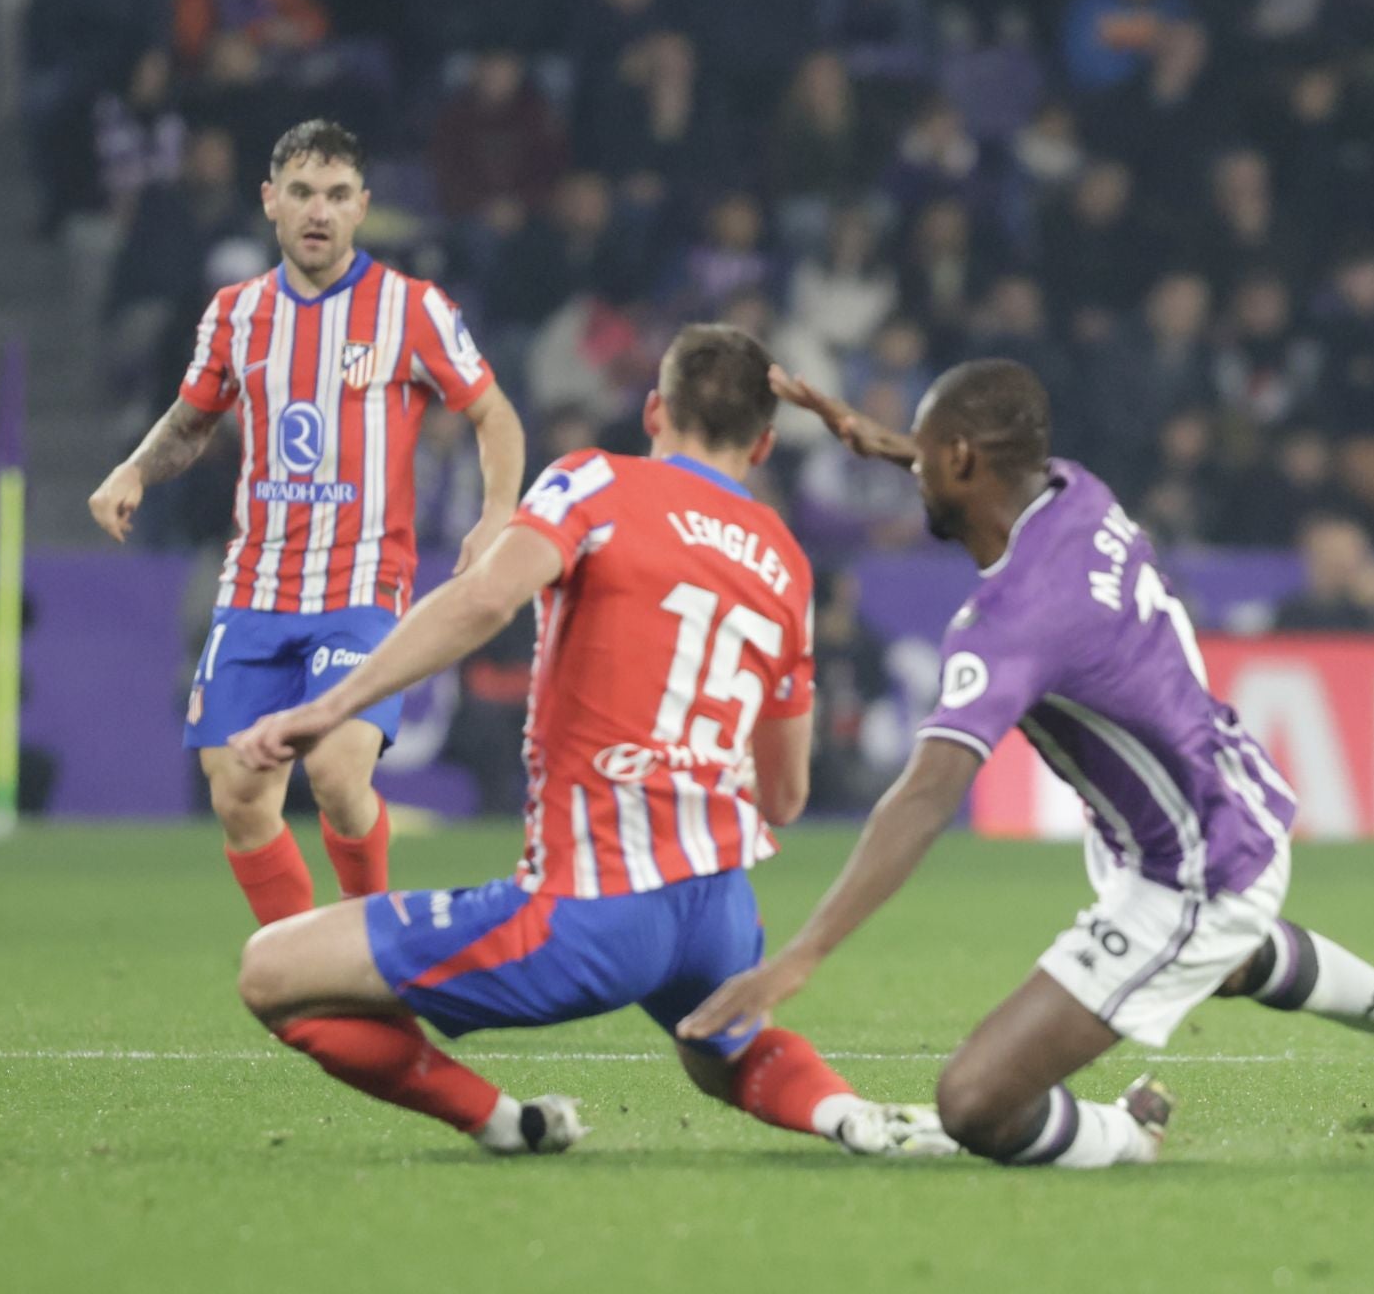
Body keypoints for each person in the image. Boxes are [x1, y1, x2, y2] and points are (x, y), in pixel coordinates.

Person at [680, 360, 1374, 1169]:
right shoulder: (1077, 491)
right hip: (1212, 789)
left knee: (976, 1102)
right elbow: (995, 465)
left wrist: (800, 955)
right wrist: (885, 442)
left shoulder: (1014, 619)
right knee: (1230, 954)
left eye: (925, 453)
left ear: (963, 459)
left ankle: (1126, 1134)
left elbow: (926, 797)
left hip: (1193, 867)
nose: (914, 468)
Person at [225, 325, 952, 1158]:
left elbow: (485, 601)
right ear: (761, 442)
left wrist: (330, 707)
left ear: (653, 410)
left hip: (588, 912)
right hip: (717, 907)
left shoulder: (593, 483)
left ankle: (503, 1120)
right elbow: (784, 796)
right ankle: (849, 1116)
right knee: (728, 1042)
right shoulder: (786, 560)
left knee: (271, 972)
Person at [86, 120, 529, 927]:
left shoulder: (412, 308)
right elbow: (192, 422)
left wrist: (498, 514)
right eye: (300, 193)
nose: (317, 211)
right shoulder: (235, 314)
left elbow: (494, 415)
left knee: (333, 771)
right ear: (270, 203)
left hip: (362, 585)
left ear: (361, 207)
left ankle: (369, 942)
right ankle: (304, 966)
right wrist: (132, 469)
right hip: (254, 589)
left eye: (334, 195)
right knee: (240, 794)